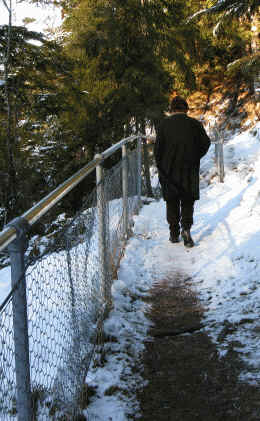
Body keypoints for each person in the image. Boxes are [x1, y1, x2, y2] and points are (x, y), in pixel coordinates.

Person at [154, 95, 210, 247]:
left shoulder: (163, 125)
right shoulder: (194, 124)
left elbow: (157, 150)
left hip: (169, 170)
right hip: (189, 169)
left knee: (171, 201)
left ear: (172, 109)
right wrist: (195, 156)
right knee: (187, 201)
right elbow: (206, 143)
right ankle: (186, 229)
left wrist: (161, 166)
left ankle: (173, 233)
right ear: (186, 109)